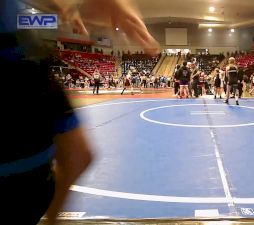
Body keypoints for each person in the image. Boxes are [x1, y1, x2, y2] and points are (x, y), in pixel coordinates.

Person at [0, 0, 159, 224]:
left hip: (19, 43)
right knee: (68, 160)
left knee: (72, 159)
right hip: (16, 46)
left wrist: (66, 5)